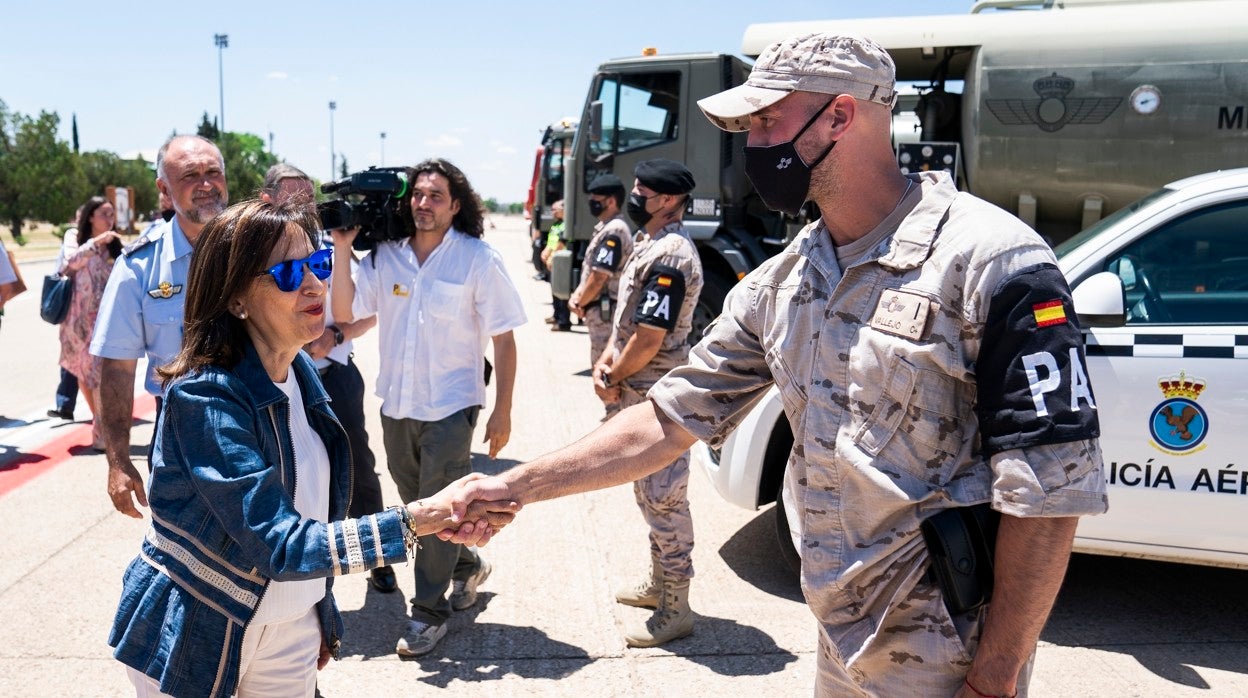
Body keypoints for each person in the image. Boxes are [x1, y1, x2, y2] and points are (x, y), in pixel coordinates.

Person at [451, 32, 1108, 698]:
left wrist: (994, 678)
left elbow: (1050, 493)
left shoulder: (992, 262)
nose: (751, 142)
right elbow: (668, 419)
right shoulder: (786, 281)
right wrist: (515, 488)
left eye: (767, 120)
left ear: (841, 116)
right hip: (837, 641)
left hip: (948, 662)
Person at [108, 199, 518, 698]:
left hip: (290, 626)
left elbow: (314, 513)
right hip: (202, 622)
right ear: (236, 298)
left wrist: (314, 609)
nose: (314, 284)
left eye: (319, 264)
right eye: (286, 273)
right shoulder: (206, 398)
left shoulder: (300, 372)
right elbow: (279, 541)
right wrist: (417, 520)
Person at [330, 158, 527, 657]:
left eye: (436, 195)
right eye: (418, 194)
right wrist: (343, 249)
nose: (424, 203)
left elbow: (504, 338)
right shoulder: (386, 257)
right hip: (397, 404)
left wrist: (502, 409)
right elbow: (347, 313)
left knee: (437, 509)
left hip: (452, 404)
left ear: (455, 205)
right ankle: (466, 567)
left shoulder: (478, 259)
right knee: (416, 496)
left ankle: (427, 614)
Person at [258, 163, 395, 594]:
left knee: (357, 467)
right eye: (292, 198)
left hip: (332, 376)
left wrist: (336, 333)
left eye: (308, 198)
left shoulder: (331, 245)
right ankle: (302, 562)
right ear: (267, 201)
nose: (304, 207)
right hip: (276, 381)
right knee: (288, 472)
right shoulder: (255, 252)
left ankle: (378, 556)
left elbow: (366, 312)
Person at [589, 159, 703, 647]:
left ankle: (676, 604)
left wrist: (614, 372)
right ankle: (659, 584)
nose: (635, 197)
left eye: (644, 191)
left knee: (665, 497)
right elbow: (628, 322)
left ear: (669, 201)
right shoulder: (648, 244)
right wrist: (607, 362)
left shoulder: (673, 255)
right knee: (647, 493)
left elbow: (652, 336)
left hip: (658, 397)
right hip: (636, 391)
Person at [91, 134, 227, 519]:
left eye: (212, 172)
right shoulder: (138, 267)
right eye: (189, 175)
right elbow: (117, 368)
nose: (205, 184)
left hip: (262, 426)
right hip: (180, 436)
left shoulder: (258, 248)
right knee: (184, 560)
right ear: (164, 190)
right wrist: (117, 461)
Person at [59, 197, 123, 450]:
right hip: (77, 321)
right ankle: (99, 421)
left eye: (111, 214)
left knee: (100, 375)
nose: (110, 219)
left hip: (104, 321)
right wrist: (95, 243)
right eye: (104, 214)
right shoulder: (74, 237)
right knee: (83, 373)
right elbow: (67, 265)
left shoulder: (116, 245)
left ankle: (102, 429)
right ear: (90, 217)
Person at [567, 174, 633, 418]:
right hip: (600, 313)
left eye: (597, 199)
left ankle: (615, 422)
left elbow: (599, 276)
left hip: (606, 314)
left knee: (605, 374)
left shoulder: (614, 231)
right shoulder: (607, 228)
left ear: (612, 201)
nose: (593, 203)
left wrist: (578, 301)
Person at [47, 206, 85, 422]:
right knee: (70, 354)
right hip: (73, 305)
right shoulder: (74, 235)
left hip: (95, 309)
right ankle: (65, 405)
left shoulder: (107, 239)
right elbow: (69, 261)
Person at [540, 199, 571, 331]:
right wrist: (545, 253)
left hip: (561, 262)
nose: (552, 212)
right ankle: (556, 315)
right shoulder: (556, 224)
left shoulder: (566, 225)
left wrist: (551, 257)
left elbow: (561, 243)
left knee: (562, 292)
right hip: (553, 261)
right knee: (554, 290)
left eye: (555, 209)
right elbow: (551, 241)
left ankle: (563, 321)